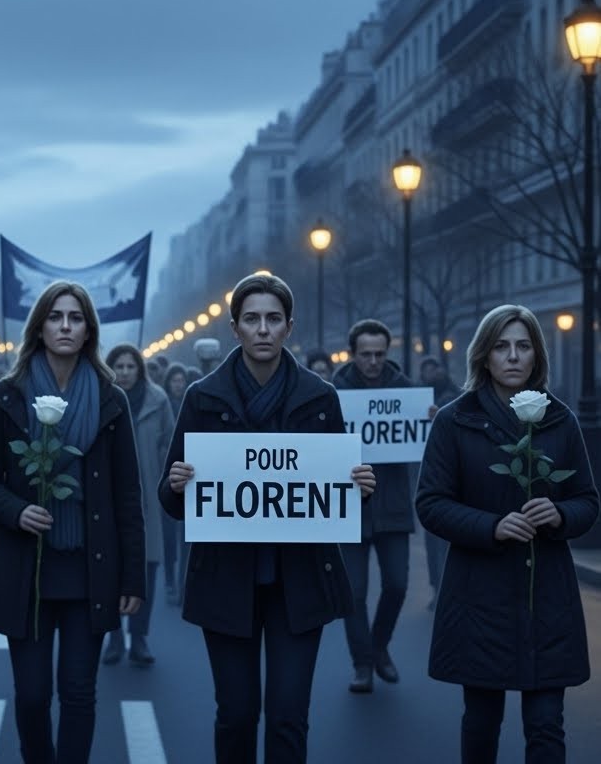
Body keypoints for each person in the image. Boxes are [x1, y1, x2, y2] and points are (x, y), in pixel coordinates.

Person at [160, 273, 375, 764]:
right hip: (225, 579)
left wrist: (360, 488)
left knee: (288, 717)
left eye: (273, 319)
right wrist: (177, 484)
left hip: (300, 581)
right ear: (235, 327)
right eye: (252, 319)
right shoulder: (201, 397)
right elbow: (172, 501)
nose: (263, 329)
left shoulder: (321, 396)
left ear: (289, 327)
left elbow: (335, 498)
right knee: (236, 714)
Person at [0, 281, 145, 764]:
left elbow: (128, 496)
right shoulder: (6, 396)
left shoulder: (111, 400)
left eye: (75, 317)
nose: (65, 326)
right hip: (25, 571)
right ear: (39, 328)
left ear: (89, 330)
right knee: (31, 696)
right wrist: (16, 510)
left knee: (79, 692)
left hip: (90, 571)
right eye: (55, 317)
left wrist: (133, 578)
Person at [416, 304, 597, 763]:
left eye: (523, 346)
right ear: (484, 355)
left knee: (546, 725)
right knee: (481, 721)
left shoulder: (561, 420)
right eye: (501, 346)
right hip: (479, 595)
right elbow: (431, 503)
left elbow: (587, 501)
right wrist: (491, 526)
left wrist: (560, 514)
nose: (513, 356)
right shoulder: (453, 421)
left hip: (547, 596)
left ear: (537, 355)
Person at [331, 319, 420, 694]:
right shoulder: (331, 393)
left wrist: (430, 421)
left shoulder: (408, 392)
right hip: (348, 506)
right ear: (352, 354)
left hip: (393, 505)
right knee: (353, 594)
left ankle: (379, 646)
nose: (373, 361)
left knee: (397, 585)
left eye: (379, 354)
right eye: (365, 354)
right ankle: (363, 664)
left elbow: (423, 439)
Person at [101, 343, 172, 668]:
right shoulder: (101, 398)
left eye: (131, 366)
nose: (125, 372)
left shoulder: (158, 400)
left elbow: (171, 442)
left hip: (148, 498)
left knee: (146, 568)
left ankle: (139, 636)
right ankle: (114, 637)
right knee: (110, 569)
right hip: (108, 498)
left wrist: (167, 477)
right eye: (120, 366)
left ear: (140, 369)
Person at [418, 355, 459, 609]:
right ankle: (439, 589)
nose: (433, 373)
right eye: (427, 370)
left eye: (435, 368)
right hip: (430, 478)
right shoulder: (418, 399)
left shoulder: (456, 398)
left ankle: (448, 590)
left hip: (452, 479)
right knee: (434, 542)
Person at [160, 361, 190, 606]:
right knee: (170, 538)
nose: (178, 385)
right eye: (175, 381)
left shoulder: (190, 406)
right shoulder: (164, 406)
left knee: (186, 539)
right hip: (169, 475)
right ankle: (170, 579)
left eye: (182, 381)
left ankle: (183, 586)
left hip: (190, 477)